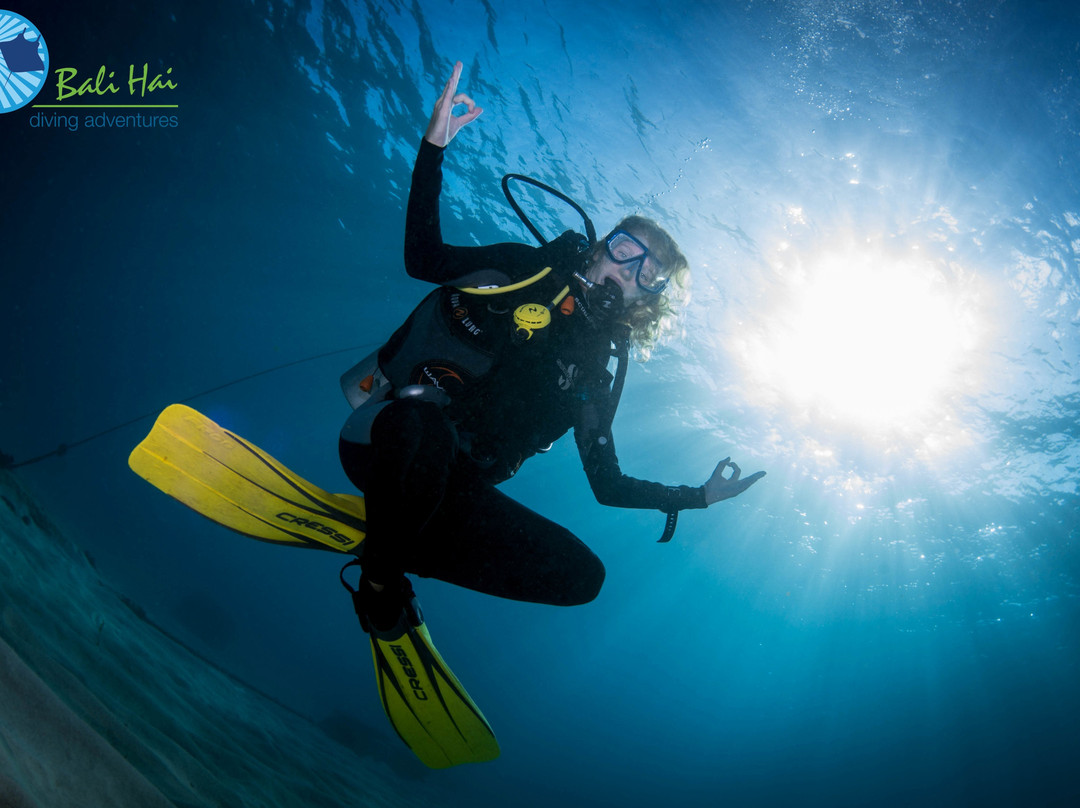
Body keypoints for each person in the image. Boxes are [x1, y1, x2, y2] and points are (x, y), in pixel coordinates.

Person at [339, 62, 764, 628]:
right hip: (384, 440)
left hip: (453, 493)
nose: (627, 271)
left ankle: (399, 545)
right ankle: (379, 582)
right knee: (425, 428)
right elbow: (423, 260)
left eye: (648, 274)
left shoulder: (598, 369)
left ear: (649, 301)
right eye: (623, 249)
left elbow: (607, 485)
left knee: (581, 577)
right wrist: (433, 148)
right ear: (597, 248)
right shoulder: (525, 269)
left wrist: (698, 497)